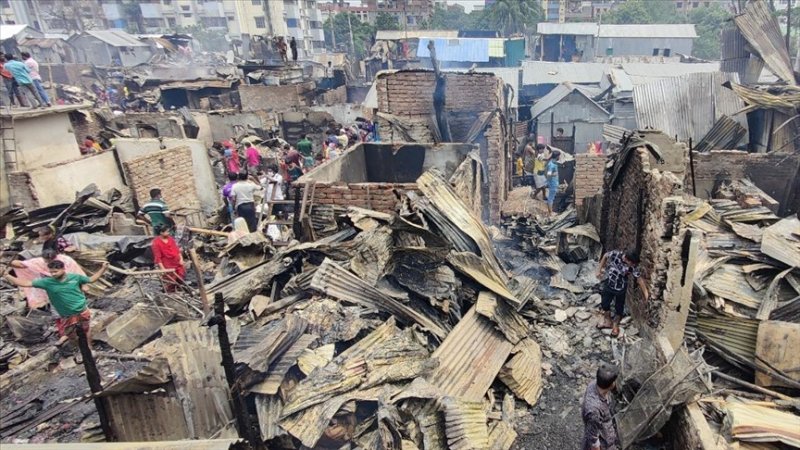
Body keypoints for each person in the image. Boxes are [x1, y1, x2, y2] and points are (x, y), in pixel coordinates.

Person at [3, 259, 109, 359]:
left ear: (63, 269)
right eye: (51, 272)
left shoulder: (75, 277)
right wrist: (6, 275)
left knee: (86, 330)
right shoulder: (47, 282)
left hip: (81, 310)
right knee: (70, 334)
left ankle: (89, 349)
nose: (53, 274)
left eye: (56, 271)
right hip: (66, 315)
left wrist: (103, 269)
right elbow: (25, 283)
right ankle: (80, 348)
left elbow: (91, 279)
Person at [8, 248, 86, 309]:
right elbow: (22, 265)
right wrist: (6, 264)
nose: (48, 263)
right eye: (47, 261)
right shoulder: (39, 263)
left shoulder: (66, 261)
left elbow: (76, 273)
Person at [596, 249, 649, 337]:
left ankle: (615, 326)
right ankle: (608, 321)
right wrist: (599, 269)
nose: (633, 265)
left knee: (619, 309)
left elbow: (639, 279)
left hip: (621, 288)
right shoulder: (615, 254)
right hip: (609, 283)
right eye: (632, 263)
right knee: (605, 304)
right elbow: (605, 255)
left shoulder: (633, 266)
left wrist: (646, 293)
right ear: (626, 259)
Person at [582, 364, 620, 450]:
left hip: (606, 431)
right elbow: (593, 441)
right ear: (611, 384)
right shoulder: (594, 411)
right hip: (604, 444)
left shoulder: (594, 384)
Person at [151, 224, 185, 293]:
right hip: (168, 265)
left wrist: (181, 259)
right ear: (161, 233)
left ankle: (180, 289)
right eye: (167, 232)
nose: (168, 233)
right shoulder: (156, 243)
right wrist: (163, 269)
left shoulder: (170, 239)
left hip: (177, 262)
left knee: (181, 277)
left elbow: (177, 250)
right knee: (170, 281)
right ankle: (170, 293)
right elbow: (158, 257)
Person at [545, 150, 560, 214]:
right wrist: (554, 174)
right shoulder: (551, 164)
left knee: (552, 197)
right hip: (552, 183)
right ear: (557, 156)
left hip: (553, 182)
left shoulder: (553, 163)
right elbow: (548, 174)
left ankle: (551, 211)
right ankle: (550, 213)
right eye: (559, 156)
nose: (559, 157)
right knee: (551, 198)